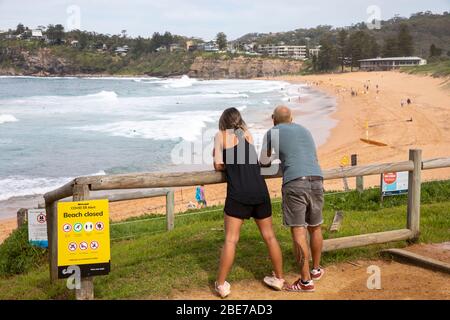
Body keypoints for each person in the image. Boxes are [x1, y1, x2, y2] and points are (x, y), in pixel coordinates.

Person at [213, 107, 284, 298]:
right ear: (239, 120)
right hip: (260, 190)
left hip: (239, 193)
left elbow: (218, 165)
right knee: (270, 237)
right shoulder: (247, 134)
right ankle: (279, 278)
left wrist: (218, 155)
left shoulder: (220, 135)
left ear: (223, 120)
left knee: (231, 239)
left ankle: (221, 285)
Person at [260, 106, 325, 293]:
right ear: (292, 118)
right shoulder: (305, 130)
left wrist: (279, 159)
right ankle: (316, 269)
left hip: (295, 183)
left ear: (273, 119)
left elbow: (263, 162)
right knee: (315, 227)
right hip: (317, 178)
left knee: (298, 231)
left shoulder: (272, 132)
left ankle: (305, 282)